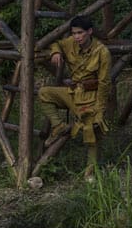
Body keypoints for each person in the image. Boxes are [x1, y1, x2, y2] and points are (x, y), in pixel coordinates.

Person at [38, 15, 112, 180]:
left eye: (80, 33)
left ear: (90, 32)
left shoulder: (102, 52)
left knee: (91, 131)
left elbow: (104, 83)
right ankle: (59, 127)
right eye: (74, 33)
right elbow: (56, 42)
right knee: (44, 93)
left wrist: (100, 109)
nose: (77, 37)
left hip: (91, 96)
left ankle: (90, 172)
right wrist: (56, 51)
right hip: (72, 94)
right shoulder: (70, 42)